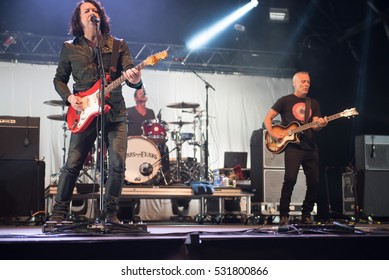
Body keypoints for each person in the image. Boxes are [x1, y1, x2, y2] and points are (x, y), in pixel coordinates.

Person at [50, 0, 142, 224]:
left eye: (95, 10)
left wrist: (136, 80)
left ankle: (111, 213)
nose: (92, 13)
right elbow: (59, 80)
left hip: (115, 112)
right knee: (73, 163)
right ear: (79, 20)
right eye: (87, 11)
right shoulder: (69, 47)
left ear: (101, 17)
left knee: (118, 164)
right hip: (84, 112)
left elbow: (129, 71)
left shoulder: (118, 45)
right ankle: (59, 212)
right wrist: (70, 98)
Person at [263, 71, 328, 225]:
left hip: (310, 148)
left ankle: (306, 214)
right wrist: (273, 133)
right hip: (293, 147)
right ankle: (284, 214)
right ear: (295, 83)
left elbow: (316, 125)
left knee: (314, 183)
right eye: (303, 82)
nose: (306, 85)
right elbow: (268, 118)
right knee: (290, 179)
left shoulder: (314, 104)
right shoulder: (285, 101)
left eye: (308, 82)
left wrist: (321, 124)